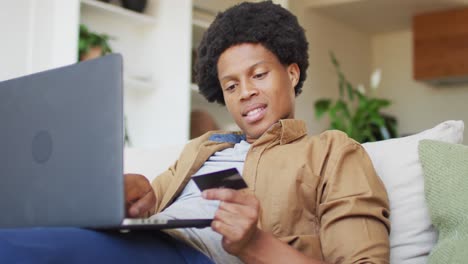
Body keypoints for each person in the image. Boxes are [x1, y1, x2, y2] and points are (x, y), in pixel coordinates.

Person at [125, 1, 390, 264]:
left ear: (292, 73)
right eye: (230, 86)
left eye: (259, 74)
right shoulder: (201, 148)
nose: (245, 92)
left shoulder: (331, 152)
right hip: (136, 241)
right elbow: (150, 205)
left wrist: (255, 245)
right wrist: (133, 197)